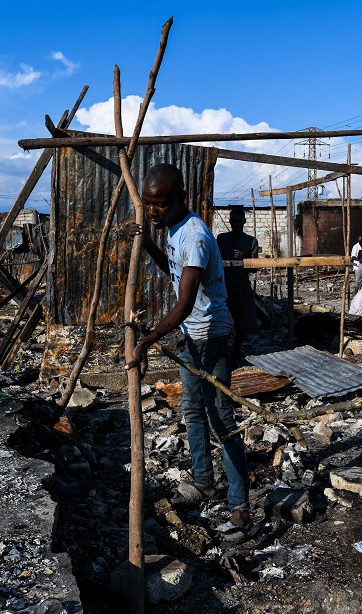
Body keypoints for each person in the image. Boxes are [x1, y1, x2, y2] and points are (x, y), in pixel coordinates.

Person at [124, 163, 251, 528]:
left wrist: (147, 341)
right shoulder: (174, 228)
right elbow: (174, 270)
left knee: (221, 418)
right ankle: (204, 481)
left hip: (211, 335)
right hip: (191, 334)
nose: (152, 212)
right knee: (192, 410)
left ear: (181, 198)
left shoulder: (195, 236)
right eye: (148, 204)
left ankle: (240, 506)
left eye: (159, 205)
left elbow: (182, 304)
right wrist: (147, 242)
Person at [216, 206, 259, 361]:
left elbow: (255, 267)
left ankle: (236, 352)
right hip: (224, 288)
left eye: (239, 221)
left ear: (244, 221)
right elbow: (214, 259)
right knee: (223, 323)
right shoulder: (221, 239)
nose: (236, 224)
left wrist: (244, 259)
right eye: (233, 221)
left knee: (241, 325)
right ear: (230, 221)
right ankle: (223, 352)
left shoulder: (251, 241)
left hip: (241, 287)